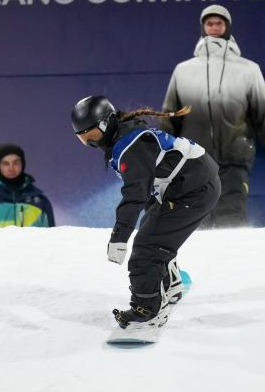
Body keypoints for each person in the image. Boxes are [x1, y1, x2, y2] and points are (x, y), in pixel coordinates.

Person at [71, 94, 220, 329]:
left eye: (93, 137)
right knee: (154, 230)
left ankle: (147, 311)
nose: (92, 144)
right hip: (185, 183)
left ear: (107, 123)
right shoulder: (122, 136)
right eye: (84, 139)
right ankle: (170, 284)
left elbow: (134, 195)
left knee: (146, 247)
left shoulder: (130, 147)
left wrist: (119, 238)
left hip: (194, 189)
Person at [159, 4, 265, 227]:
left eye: (219, 23)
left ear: (228, 27)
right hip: (193, 163)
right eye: (209, 23)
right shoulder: (183, 70)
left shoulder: (248, 70)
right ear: (202, 27)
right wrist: (159, 170)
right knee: (195, 227)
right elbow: (168, 123)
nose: (214, 27)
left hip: (234, 162)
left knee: (231, 224)